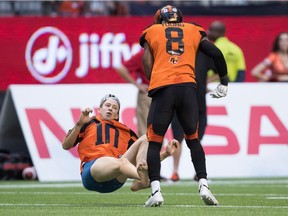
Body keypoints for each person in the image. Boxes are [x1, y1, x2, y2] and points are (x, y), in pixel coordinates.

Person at [140, 5, 228, 207]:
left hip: (163, 87)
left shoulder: (151, 31)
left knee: (154, 142)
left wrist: (153, 79)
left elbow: (147, 60)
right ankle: (204, 185)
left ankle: (156, 191)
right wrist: (224, 81)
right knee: (194, 140)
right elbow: (215, 52)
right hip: (188, 89)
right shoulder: (193, 29)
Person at [61, 94, 179, 193]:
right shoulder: (88, 123)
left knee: (146, 138)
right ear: (99, 110)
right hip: (93, 173)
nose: (110, 109)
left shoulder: (126, 132)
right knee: (122, 162)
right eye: (107, 105)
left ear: (117, 115)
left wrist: (166, 154)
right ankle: (142, 180)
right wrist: (79, 124)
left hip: (115, 180)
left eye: (114, 107)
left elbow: (147, 157)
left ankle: (141, 178)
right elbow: (66, 145)